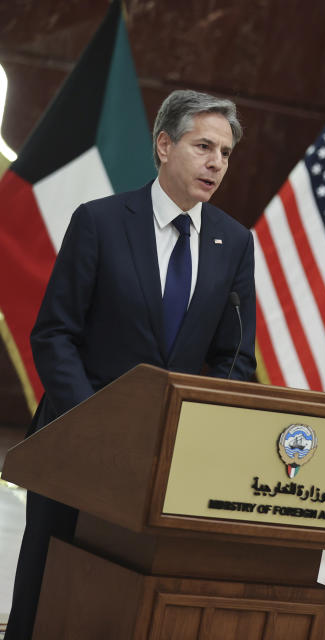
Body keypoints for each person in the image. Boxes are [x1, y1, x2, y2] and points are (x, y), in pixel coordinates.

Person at [5, 89, 256, 640]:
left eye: (226, 152)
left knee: (125, 603)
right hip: (78, 443)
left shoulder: (233, 243)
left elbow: (235, 359)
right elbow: (55, 334)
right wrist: (101, 421)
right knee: (48, 595)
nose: (217, 162)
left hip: (169, 463)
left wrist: (190, 427)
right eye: (203, 146)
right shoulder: (100, 222)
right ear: (164, 145)